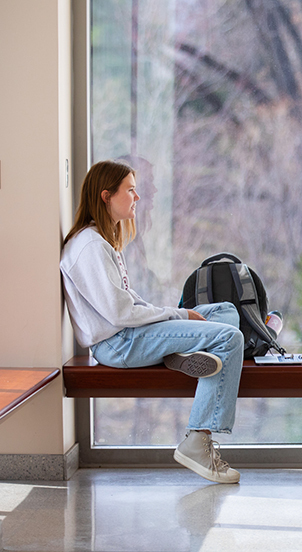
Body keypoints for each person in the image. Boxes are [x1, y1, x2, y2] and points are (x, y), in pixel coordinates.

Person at [61, 160, 244, 483]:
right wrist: (178, 314)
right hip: (119, 344)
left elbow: (128, 302)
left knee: (226, 311)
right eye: (130, 190)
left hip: (132, 333)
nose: (138, 197)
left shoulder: (103, 241)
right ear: (106, 196)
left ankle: (180, 354)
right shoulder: (89, 246)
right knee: (231, 339)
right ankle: (197, 441)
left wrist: (173, 315)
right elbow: (120, 314)